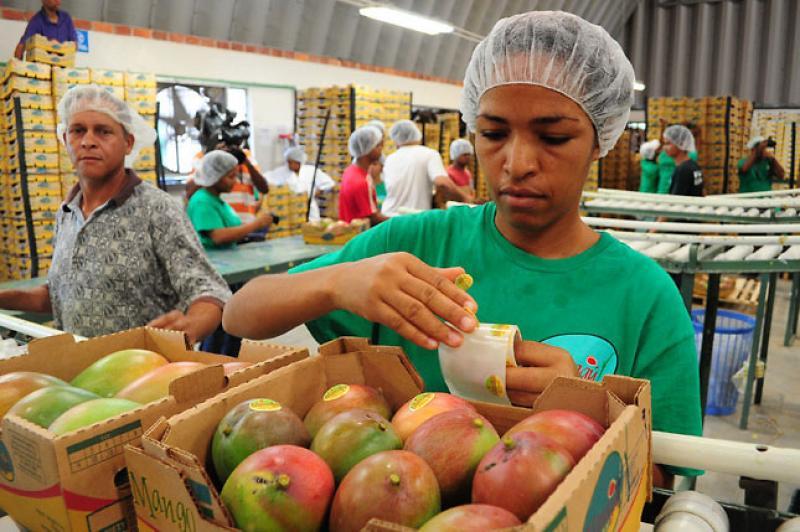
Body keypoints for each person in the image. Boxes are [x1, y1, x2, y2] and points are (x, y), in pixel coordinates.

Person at [223, 11, 701, 487]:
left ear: (601, 139)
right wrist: (335, 282)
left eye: (553, 137)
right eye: (493, 134)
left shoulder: (644, 298)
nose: (517, 163)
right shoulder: (414, 245)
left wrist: (581, 414)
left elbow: (664, 482)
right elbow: (240, 315)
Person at [0, 85, 231, 343]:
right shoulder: (66, 213)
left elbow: (210, 290)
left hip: (143, 373)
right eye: (78, 131)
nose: (88, 141)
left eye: (103, 131)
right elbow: (60, 295)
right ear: (66, 140)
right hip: (79, 372)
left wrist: (191, 325)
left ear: (128, 143)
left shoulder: (156, 209)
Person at [187, 150, 274, 250]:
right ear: (215, 176)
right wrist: (256, 224)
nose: (235, 181)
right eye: (231, 176)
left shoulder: (217, 201)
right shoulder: (202, 202)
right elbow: (218, 237)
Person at [381, 120, 470, 215]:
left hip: (389, 216)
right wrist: (465, 197)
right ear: (416, 133)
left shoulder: (390, 158)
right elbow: (442, 182)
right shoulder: (429, 154)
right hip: (414, 217)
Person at [265, 147, 336, 221]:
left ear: (298, 162)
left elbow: (329, 183)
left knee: (312, 228)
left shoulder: (310, 171)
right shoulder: (282, 172)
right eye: (288, 162)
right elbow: (266, 178)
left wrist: (318, 191)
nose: (289, 165)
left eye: (291, 162)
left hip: (309, 207)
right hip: (291, 209)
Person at [337, 126, 387, 225]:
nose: (381, 149)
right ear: (368, 150)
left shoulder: (350, 171)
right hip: (360, 235)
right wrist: (399, 222)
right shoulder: (362, 181)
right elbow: (373, 218)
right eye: (378, 146)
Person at [664, 125, 704, 196]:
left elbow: (676, 200)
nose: (664, 147)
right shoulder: (693, 165)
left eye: (668, 144)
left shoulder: (682, 170)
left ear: (680, 144)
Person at [438, 138, 476, 206]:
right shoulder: (447, 173)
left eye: (469, 154)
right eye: (464, 155)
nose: (468, 157)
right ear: (455, 155)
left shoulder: (467, 173)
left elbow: (471, 192)